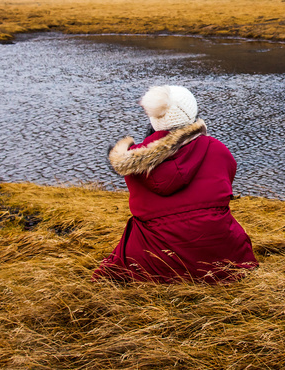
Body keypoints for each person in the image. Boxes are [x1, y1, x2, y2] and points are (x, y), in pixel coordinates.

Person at [92, 85, 258, 283]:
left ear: (155, 117)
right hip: (219, 256)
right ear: (192, 114)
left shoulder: (133, 161)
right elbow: (225, 186)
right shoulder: (217, 150)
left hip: (153, 260)